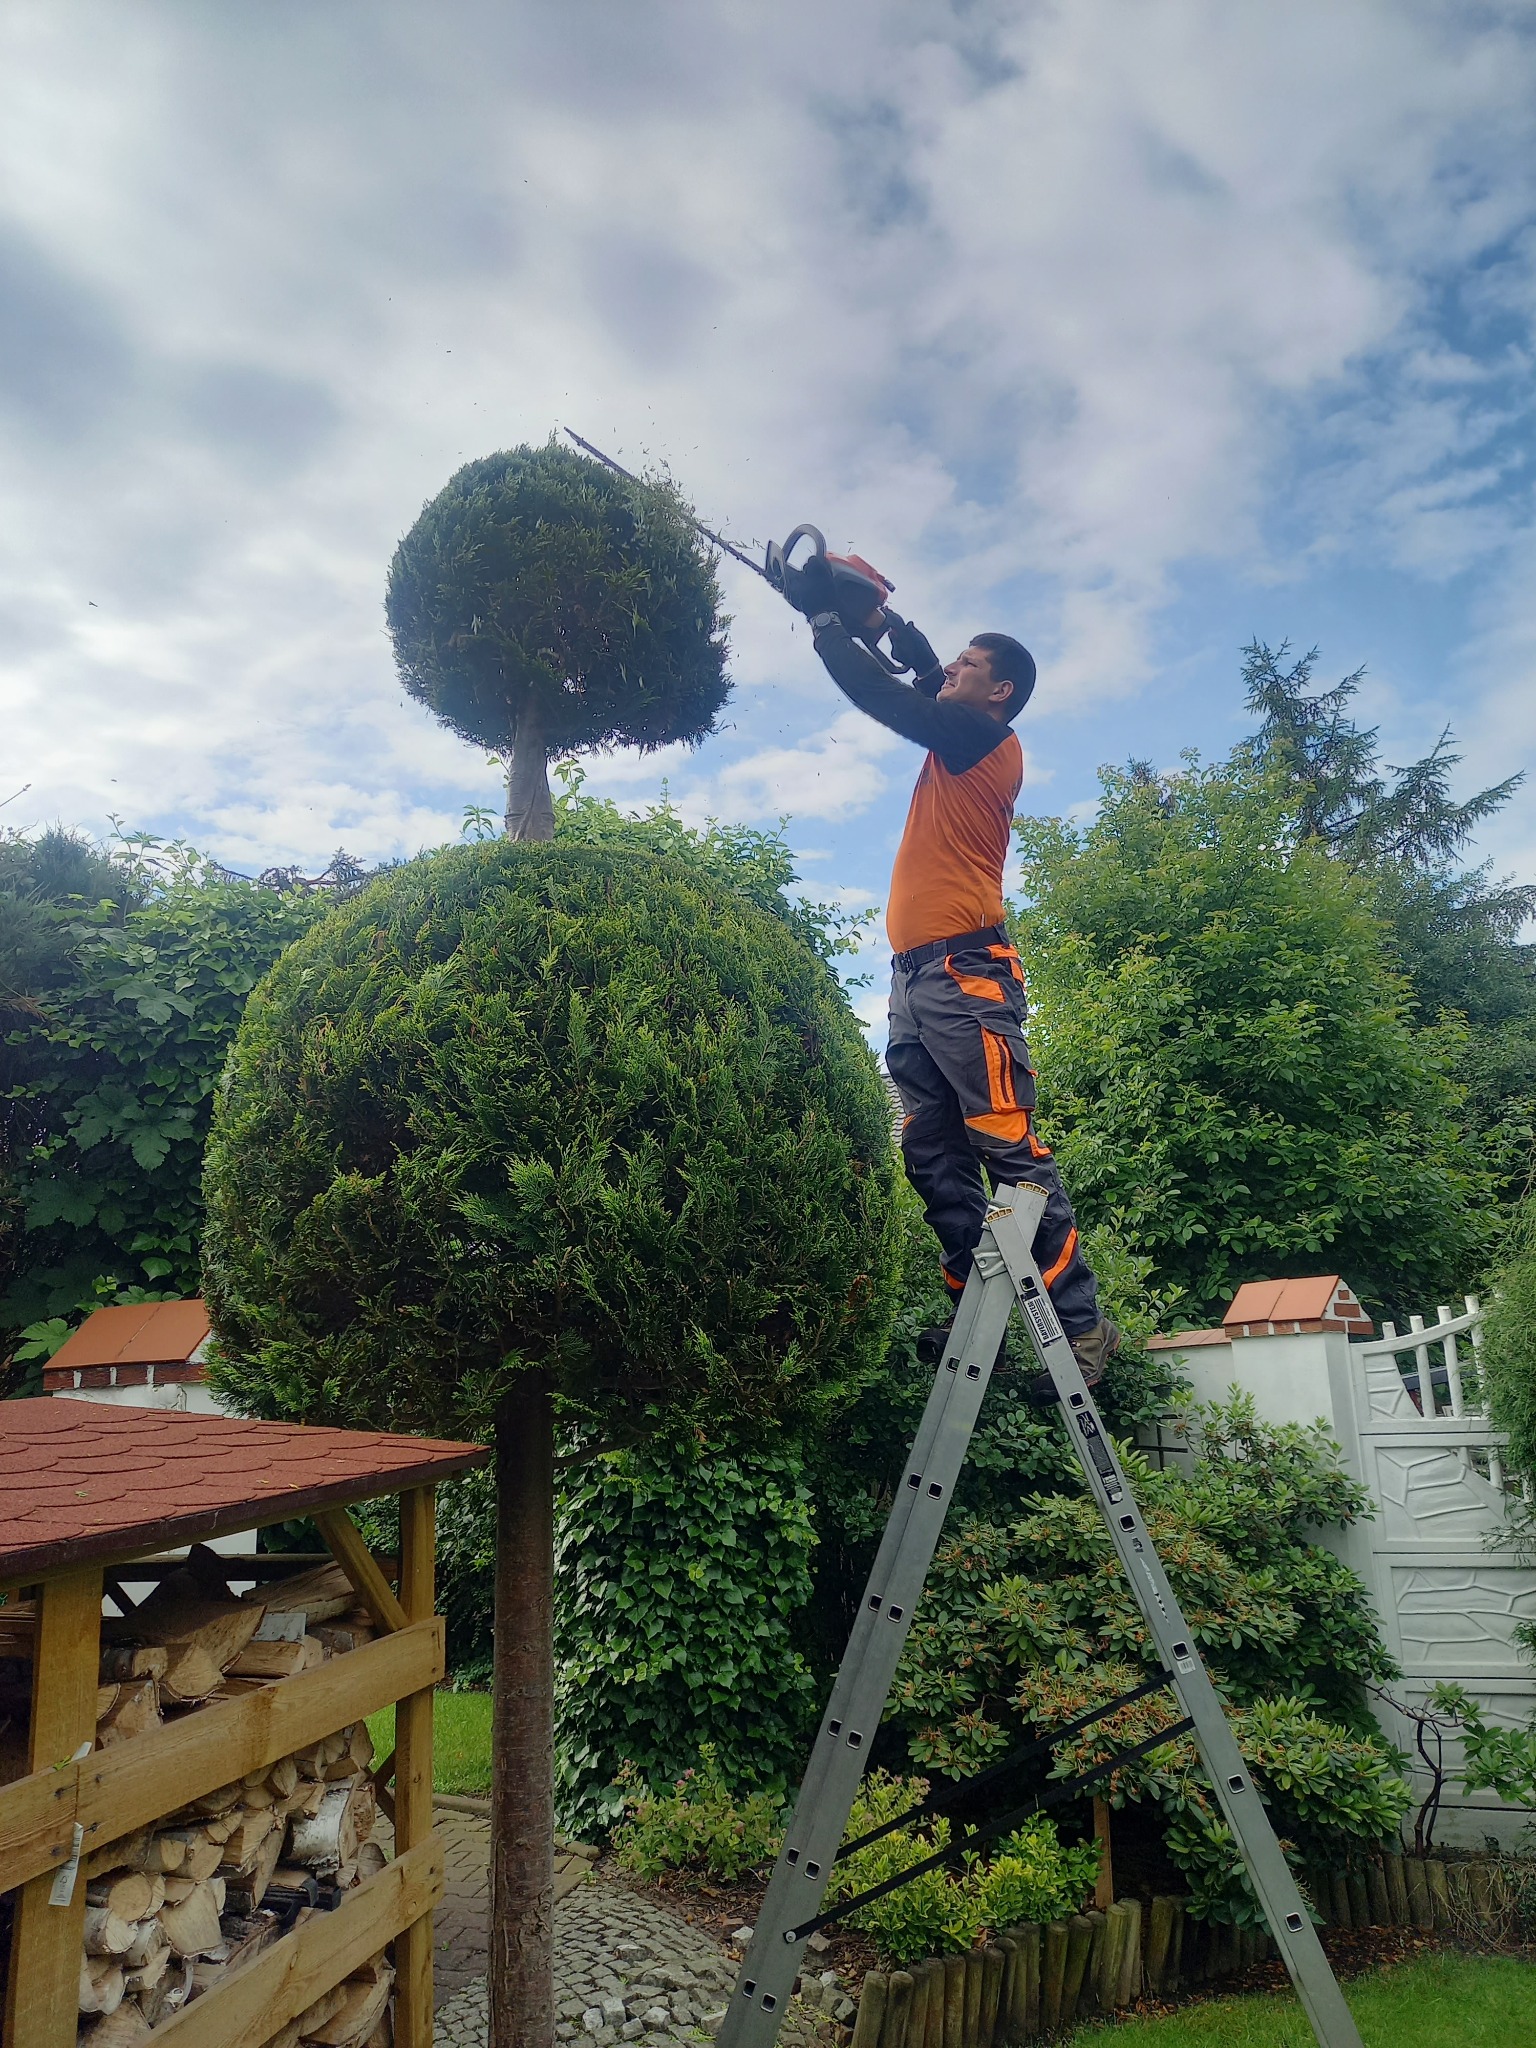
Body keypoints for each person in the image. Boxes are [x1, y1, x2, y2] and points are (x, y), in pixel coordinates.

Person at [784, 551, 1120, 1394]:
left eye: (971, 666)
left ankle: (1081, 1326)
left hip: (968, 973)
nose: (953, 673)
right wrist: (881, 623)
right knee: (932, 1152)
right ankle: (974, 1316)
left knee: (1007, 1143)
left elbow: (886, 697)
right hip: (913, 980)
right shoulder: (961, 725)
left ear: (998, 690)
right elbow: (919, 666)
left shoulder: (983, 741)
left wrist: (827, 627)